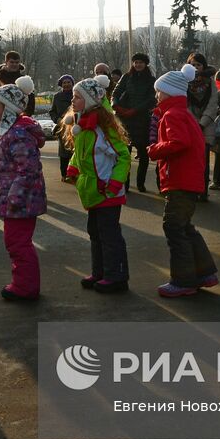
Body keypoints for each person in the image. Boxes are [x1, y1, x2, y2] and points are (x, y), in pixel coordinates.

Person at [148, 63, 219, 297]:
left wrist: (154, 150)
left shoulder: (172, 115)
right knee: (185, 227)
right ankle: (203, 271)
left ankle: (184, 280)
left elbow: (179, 143)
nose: (156, 95)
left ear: (168, 92)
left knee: (174, 228)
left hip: (180, 181)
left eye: (159, 91)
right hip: (188, 180)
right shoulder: (182, 113)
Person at [65, 74, 130, 293]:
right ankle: (100, 271)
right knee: (95, 231)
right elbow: (81, 152)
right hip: (92, 189)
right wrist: (74, 166)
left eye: (77, 97)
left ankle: (117, 276)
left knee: (109, 234)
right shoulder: (82, 125)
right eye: (73, 96)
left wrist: (115, 182)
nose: (73, 101)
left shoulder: (105, 128)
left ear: (91, 100)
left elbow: (123, 156)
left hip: (107, 190)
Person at [0, 76, 46, 301]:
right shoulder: (11, 131)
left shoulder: (18, 134)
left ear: (9, 109)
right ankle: (23, 282)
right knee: (16, 242)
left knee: (18, 243)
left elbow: (28, 169)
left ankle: (26, 287)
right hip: (17, 199)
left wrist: (13, 197)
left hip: (21, 201)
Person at [112, 52, 156, 192]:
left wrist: (135, 110)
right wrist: (116, 105)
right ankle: (124, 182)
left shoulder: (151, 80)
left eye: (140, 62)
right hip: (126, 120)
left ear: (145, 64)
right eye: (136, 62)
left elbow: (151, 99)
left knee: (143, 154)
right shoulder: (126, 77)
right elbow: (116, 93)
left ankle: (140, 183)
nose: (138, 65)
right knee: (125, 154)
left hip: (142, 120)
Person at [184, 53, 216, 201]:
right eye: (193, 64)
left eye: (198, 65)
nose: (196, 67)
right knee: (190, 160)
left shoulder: (210, 82)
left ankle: (202, 190)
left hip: (206, 125)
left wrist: (202, 122)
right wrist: (192, 121)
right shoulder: (184, 81)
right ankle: (191, 189)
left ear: (204, 66)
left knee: (203, 161)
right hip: (189, 124)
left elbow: (212, 103)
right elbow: (185, 103)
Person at [49, 74, 75, 180]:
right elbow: (52, 111)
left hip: (76, 127)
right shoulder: (57, 97)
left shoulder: (77, 95)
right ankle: (64, 174)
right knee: (64, 153)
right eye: (64, 82)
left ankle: (74, 173)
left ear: (72, 83)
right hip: (62, 127)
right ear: (61, 84)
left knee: (75, 151)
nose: (67, 84)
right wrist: (57, 119)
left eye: (69, 82)